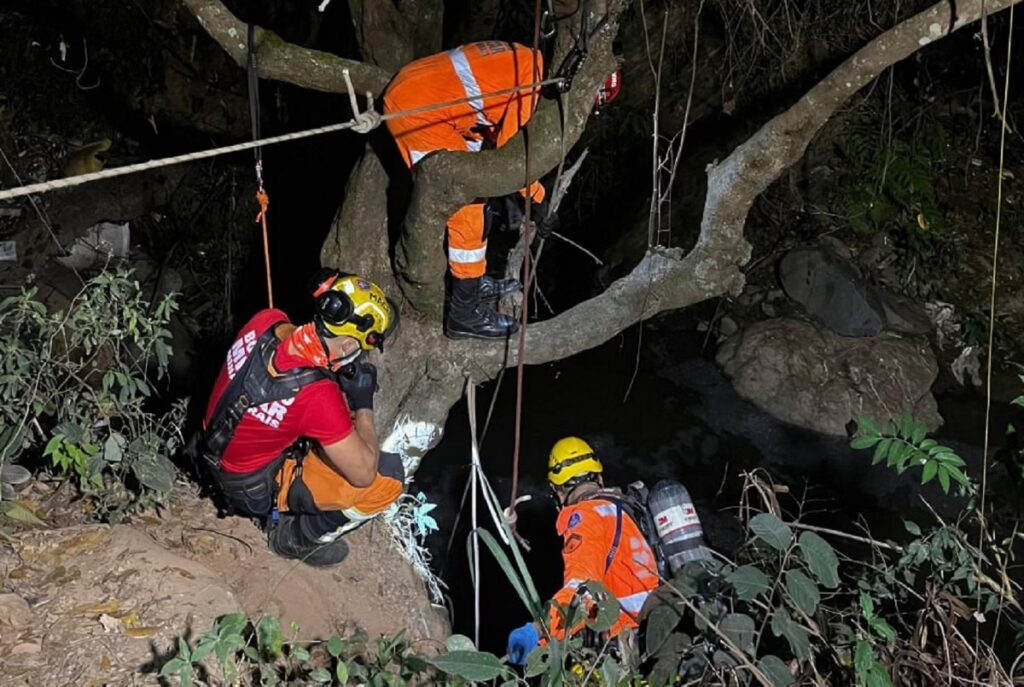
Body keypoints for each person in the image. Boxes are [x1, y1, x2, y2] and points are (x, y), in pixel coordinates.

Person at [199, 269, 403, 567]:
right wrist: (363, 404)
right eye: (359, 348)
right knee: (387, 478)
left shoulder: (266, 319)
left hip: (211, 447)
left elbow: (288, 358)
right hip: (250, 488)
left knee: (325, 423)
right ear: (348, 346)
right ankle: (295, 539)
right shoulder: (317, 395)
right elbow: (364, 474)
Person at [382, 41, 553, 340]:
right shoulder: (534, 80)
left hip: (443, 108)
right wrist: (538, 201)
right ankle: (464, 315)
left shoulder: (528, 59)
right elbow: (513, 157)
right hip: (420, 110)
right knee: (467, 206)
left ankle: (473, 284)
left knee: (479, 200)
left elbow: (494, 121)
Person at [507, 436, 660, 666]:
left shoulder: (585, 518)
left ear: (558, 491)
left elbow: (581, 592)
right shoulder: (628, 509)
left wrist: (538, 632)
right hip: (660, 631)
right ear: (599, 477)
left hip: (630, 646)